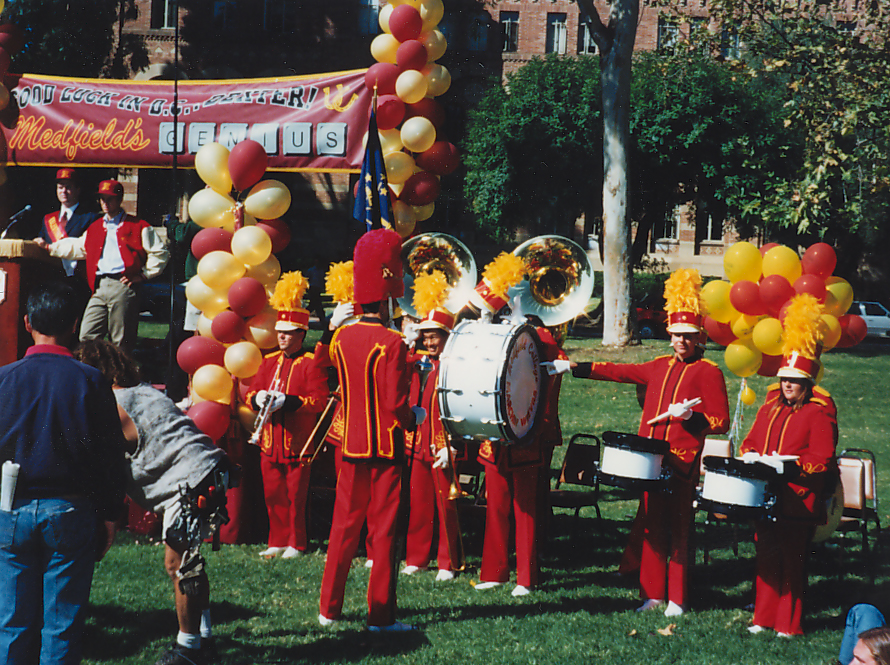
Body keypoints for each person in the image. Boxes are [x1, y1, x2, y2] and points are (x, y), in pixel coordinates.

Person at [546, 268, 730, 616]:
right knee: (651, 528)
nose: (680, 342)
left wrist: (692, 419)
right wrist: (574, 367)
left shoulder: (710, 372)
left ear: (699, 338)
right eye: (676, 335)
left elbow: (720, 423)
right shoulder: (658, 365)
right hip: (650, 462)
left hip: (682, 464)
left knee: (678, 533)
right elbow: (617, 372)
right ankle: (652, 595)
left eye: (687, 336)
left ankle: (677, 597)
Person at [75, 340, 231, 665]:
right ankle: (203, 639)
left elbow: (106, 466)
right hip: (211, 469)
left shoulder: (111, 405)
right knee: (191, 563)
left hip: (189, 481)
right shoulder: (144, 392)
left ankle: (188, 649)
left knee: (180, 566)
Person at [0, 281, 128, 665]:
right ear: (75, 324)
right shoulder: (90, 380)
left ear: (27, 323)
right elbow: (110, 456)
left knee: (12, 623)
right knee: (62, 625)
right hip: (69, 510)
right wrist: (109, 514)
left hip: (12, 506)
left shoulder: (4, 379)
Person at [318, 228, 425, 632]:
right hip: (384, 450)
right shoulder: (392, 342)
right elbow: (397, 406)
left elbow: (324, 365)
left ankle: (329, 609)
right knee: (382, 535)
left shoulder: (342, 337)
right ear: (386, 297)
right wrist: (416, 415)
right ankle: (380, 616)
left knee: (343, 529)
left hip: (351, 447)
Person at [739, 294, 838, 637]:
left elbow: (822, 460)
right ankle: (762, 618)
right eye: (784, 379)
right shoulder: (768, 407)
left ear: (807, 383)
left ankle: (789, 624)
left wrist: (791, 467)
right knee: (765, 558)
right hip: (765, 495)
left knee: (792, 561)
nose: (787, 385)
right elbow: (750, 440)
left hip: (797, 497)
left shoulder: (818, 412)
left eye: (794, 380)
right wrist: (751, 454)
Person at [245, 272, 330, 558]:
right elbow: (251, 393)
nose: (281, 336)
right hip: (270, 441)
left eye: (289, 333)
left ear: (301, 335)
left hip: (298, 444)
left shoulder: (310, 365)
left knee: (296, 496)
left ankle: (297, 542)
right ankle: (277, 540)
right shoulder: (268, 362)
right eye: (280, 332)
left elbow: (318, 402)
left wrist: (289, 402)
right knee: (273, 494)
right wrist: (256, 399)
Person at [38, 179, 169, 353]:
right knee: (87, 334)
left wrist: (144, 275)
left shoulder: (138, 226)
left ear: (119, 199)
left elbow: (160, 252)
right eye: (102, 199)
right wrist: (49, 247)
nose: (105, 203)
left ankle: (119, 377)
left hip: (122, 285)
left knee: (121, 339)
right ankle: (94, 371)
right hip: (99, 287)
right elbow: (78, 247)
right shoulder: (95, 227)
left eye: (110, 199)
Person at [401, 297, 463, 581]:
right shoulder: (419, 360)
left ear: (447, 337)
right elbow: (396, 364)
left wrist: (454, 445)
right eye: (425, 336)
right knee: (419, 504)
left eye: (434, 336)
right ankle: (417, 558)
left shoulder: (456, 365)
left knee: (445, 506)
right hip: (417, 443)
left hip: (443, 445)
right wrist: (406, 341)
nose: (429, 341)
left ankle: (448, 563)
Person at [33, 168, 97, 306]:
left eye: (68, 187)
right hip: (53, 278)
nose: (64, 191)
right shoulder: (48, 219)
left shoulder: (90, 217)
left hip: (79, 280)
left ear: (78, 189)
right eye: (60, 187)